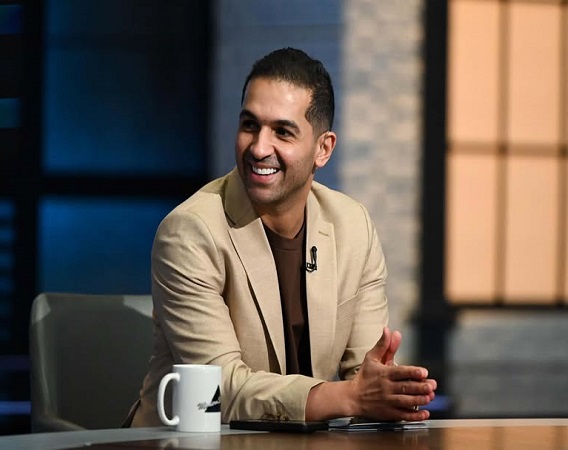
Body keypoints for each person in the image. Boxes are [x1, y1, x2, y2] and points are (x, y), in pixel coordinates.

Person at [128, 47, 436, 427]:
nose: (259, 148)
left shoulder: (353, 227)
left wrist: (388, 390)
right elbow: (218, 390)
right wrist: (348, 396)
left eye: (282, 132)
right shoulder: (190, 232)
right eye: (249, 125)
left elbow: (365, 376)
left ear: (323, 149)